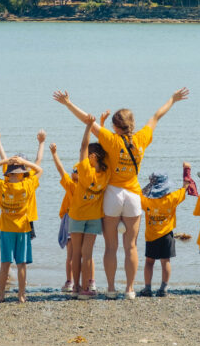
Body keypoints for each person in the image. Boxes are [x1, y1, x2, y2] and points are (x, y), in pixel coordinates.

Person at [53, 88, 189, 299]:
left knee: (110, 247)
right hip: (133, 196)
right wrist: (172, 99)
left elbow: (87, 120)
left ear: (115, 126)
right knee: (131, 246)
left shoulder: (112, 140)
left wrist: (68, 104)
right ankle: (130, 289)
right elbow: (156, 116)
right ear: (132, 125)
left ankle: (110, 289)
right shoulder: (142, 139)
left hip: (113, 195)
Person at [0, 153, 43, 303]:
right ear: (22, 174)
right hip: (22, 229)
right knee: (21, 264)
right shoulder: (27, 184)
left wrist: (5, 160)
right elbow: (39, 170)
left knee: (5, 263)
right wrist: (24, 162)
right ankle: (21, 295)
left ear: (8, 175)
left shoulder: (3, 186)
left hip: (6, 229)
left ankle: (1, 295)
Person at [63, 121, 108, 299]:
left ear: (92, 157)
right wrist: (101, 125)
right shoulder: (106, 173)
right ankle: (86, 288)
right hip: (94, 217)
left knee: (76, 253)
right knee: (87, 254)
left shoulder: (83, 170)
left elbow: (83, 146)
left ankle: (76, 287)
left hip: (77, 216)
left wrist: (89, 126)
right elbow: (104, 150)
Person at [139, 168, 188, 297]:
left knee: (149, 262)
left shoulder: (147, 201)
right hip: (167, 235)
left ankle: (147, 288)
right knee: (165, 261)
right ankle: (163, 288)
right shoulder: (172, 198)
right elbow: (184, 189)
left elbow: (138, 194)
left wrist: (149, 185)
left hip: (151, 236)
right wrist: (186, 172)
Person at [50, 143, 77, 293]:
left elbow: (60, 170)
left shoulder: (72, 186)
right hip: (84, 219)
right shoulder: (88, 186)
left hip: (71, 220)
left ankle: (69, 282)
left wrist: (54, 154)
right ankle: (87, 282)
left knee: (71, 255)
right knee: (85, 254)